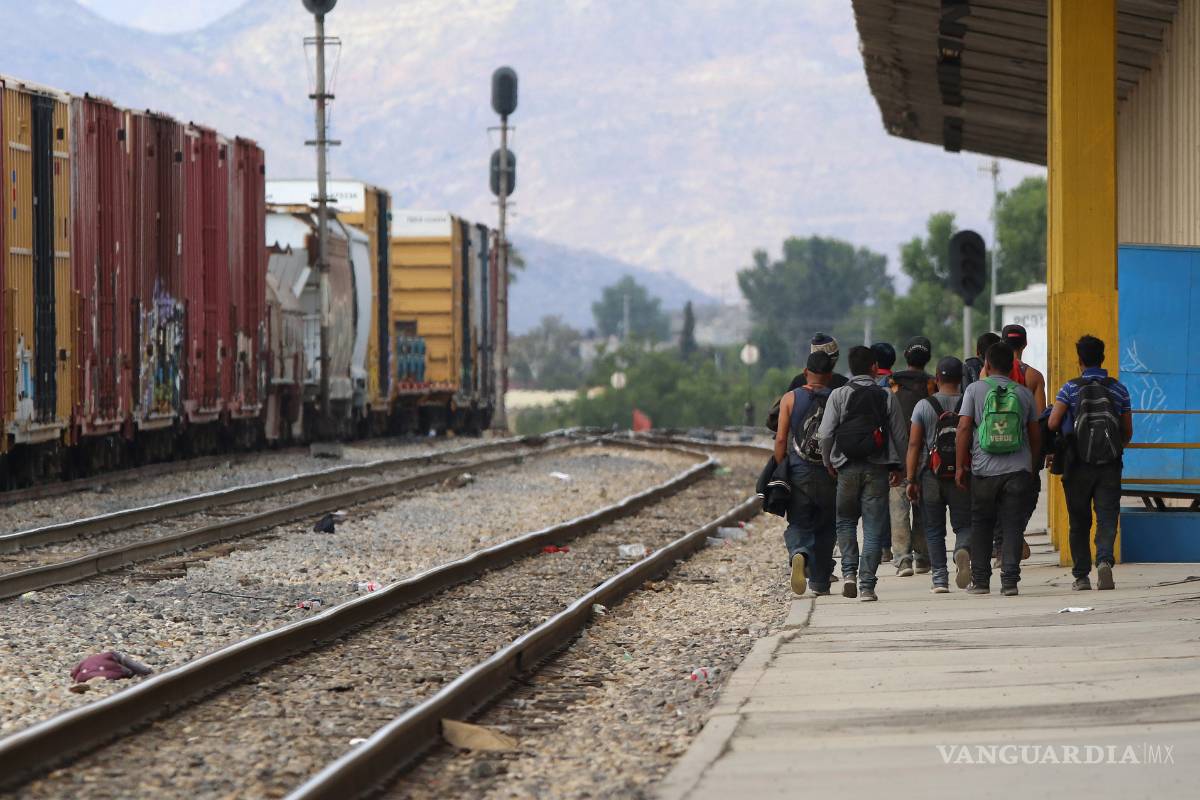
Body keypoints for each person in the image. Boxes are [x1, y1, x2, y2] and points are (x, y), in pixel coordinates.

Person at [819, 346, 907, 602]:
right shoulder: (886, 396)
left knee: (845, 521)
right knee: (873, 527)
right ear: (874, 368)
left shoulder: (838, 395)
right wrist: (898, 467)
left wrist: (829, 461)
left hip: (846, 467)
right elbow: (900, 435)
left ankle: (848, 575)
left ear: (850, 368)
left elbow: (825, 434)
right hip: (877, 468)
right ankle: (867, 586)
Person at [1047, 335, 1133, 591]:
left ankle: (1081, 576)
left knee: (1079, 520)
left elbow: (1052, 423)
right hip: (1110, 463)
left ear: (1080, 360)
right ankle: (1104, 562)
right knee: (1107, 516)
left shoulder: (1070, 388)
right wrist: (1112, 447)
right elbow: (1127, 430)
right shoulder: (1118, 389)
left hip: (1078, 464)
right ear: (1103, 358)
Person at [956, 342, 1041, 596]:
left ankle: (981, 581)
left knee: (981, 522)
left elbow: (962, 429)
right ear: (1013, 366)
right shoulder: (1024, 393)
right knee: (1013, 524)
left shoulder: (974, 390)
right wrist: (1031, 465)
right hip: (1017, 469)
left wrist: (961, 465)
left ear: (987, 364)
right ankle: (1010, 582)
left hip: (983, 470)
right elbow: (1035, 435)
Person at [774, 351, 838, 597]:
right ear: (830, 375)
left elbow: (781, 438)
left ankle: (799, 552)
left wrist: (780, 465)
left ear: (805, 373)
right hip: (829, 472)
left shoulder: (790, 398)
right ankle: (820, 582)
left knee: (799, 521)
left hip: (798, 470)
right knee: (826, 526)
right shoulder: (837, 398)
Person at [906, 356, 971, 592]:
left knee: (933, 529)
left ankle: (940, 579)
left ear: (936, 378)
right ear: (961, 378)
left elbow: (914, 444)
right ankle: (962, 550)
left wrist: (911, 479)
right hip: (962, 473)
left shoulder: (924, 406)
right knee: (964, 525)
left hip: (930, 475)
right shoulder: (968, 402)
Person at [887, 336, 935, 576]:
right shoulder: (932, 385)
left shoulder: (892, 384)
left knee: (898, 508)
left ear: (905, 357)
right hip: (926, 457)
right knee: (924, 508)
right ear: (927, 358)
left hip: (898, 456)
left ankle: (903, 560)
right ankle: (923, 557)